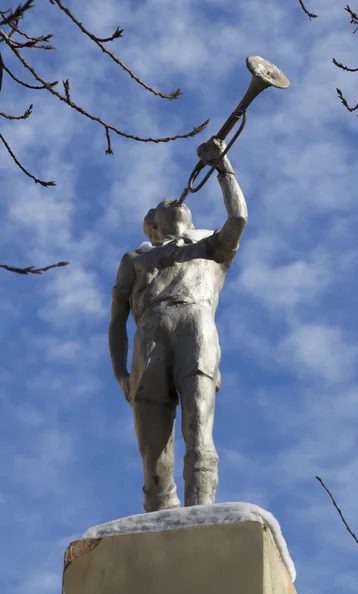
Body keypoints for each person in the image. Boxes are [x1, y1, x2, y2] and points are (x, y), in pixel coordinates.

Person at [108, 137, 248, 512]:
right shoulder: (135, 258)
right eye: (161, 205)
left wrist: (223, 168)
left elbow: (238, 218)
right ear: (151, 224)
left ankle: (200, 516)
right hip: (149, 337)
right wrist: (120, 371)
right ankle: (161, 525)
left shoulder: (208, 244)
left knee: (199, 430)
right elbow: (117, 319)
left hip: (196, 325)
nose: (174, 200)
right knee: (154, 455)